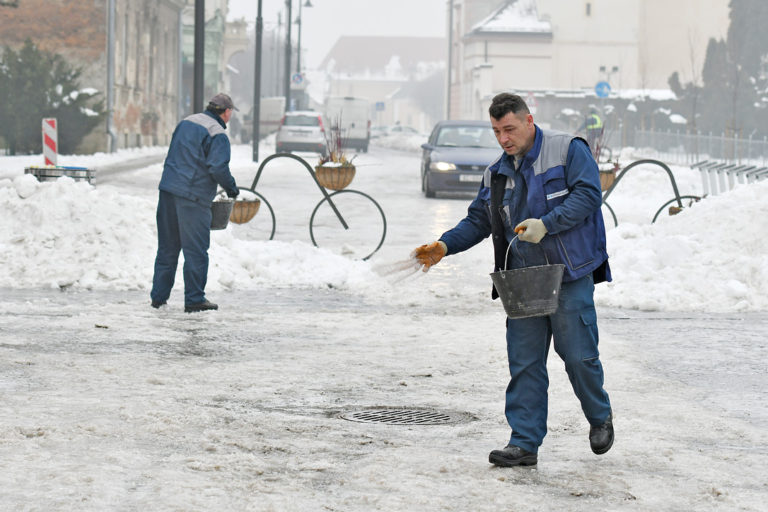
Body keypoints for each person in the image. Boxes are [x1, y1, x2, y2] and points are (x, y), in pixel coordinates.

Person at [411, 93, 614, 467]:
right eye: (496, 131)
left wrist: (547, 224)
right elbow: (479, 220)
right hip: (522, 279)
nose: (504, 138)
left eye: (509, 129)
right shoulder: (497, 172)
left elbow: (588, 195)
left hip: (568, 274)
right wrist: (444, 245)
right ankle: (524, 442)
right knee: (524, 362)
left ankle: (599, 417)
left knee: (578, 357)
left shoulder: (567, 150)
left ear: (528, 121)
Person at [150, 93, 240, 313]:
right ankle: (194, 299)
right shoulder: (217, 134)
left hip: (168, 190)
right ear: (226, 112)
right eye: (230, 113)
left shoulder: (186, 122)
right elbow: (218, 167)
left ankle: (158, 299)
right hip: (193, 197)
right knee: (196, 252)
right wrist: (231, 188)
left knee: (167, 249)